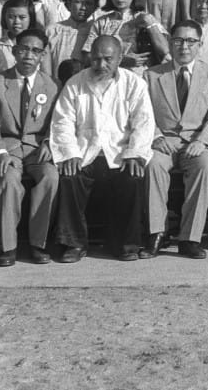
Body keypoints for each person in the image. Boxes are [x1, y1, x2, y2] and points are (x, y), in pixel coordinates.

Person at [50, 34, 155, 263]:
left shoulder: (134, 83)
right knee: (69, 177)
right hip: (85, 154)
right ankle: (73, 244)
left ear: (119, 58)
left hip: (119, 155)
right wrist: (70, 153)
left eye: (108, 59)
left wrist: (134, 153)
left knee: (133, 177)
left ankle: (126, 245)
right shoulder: (75, 83)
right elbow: (62, 122)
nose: (101, 65)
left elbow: (144, 122)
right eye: (96, 59)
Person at [143, 19, 208, 259]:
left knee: (205, 166)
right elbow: (142, 114)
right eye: (178, 40)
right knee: (153, 165)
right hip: (163, 141)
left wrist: (201, 140)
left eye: (191, 41)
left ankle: (190, 238)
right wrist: (156, 136)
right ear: (170, 42)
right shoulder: (151, 76)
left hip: (197, 142)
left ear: (200, 45)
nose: (184, 47)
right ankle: (155, 233)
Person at [0, 28, 60, 266]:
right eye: (24, 49)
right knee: (9, 180)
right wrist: (0, 153)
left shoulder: (53, 86)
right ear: (14, 51)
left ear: (43, 55)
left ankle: (38, 243)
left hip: (38, 149)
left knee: (51, 176)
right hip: (9, 148)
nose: (28, 55)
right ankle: (8, 247)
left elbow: (60, 122)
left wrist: (49, 141)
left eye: (35, 51)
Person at [91, 0, 170, 69]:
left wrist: (150, 24)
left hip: (141, 78)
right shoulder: (101, 23)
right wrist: (120, 61)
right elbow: (88, 57)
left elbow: (165, 50)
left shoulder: (146, 19)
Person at [46, 0, 100, 81]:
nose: (83, 7)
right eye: (78, 2)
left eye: (88, 3)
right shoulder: (52, 30)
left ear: (95, 6)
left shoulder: (96, 31)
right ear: (68, 3)